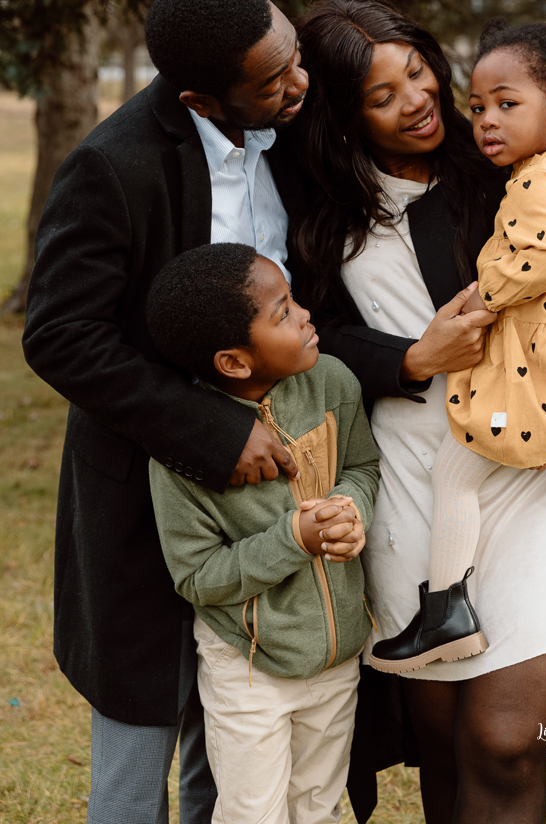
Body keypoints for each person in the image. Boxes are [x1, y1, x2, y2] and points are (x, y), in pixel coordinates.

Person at [290, 0, 546, 823]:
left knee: (504, 738)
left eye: (417, 74)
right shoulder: (324, 212)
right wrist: (411, 357)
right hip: (416, 480)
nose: (416, 100)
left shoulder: (506, 166)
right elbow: (309, 338)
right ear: (342, 115)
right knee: (444, 737)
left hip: (533, 468)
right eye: (382, 96)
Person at [22, 0, 314, 824]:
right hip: (147, 482)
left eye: (292, 55)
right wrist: (209, 431)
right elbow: (61, 335)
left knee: (239, 735)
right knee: (142, 728)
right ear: (200, 96)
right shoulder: (113, 167)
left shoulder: (295, 131)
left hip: (278, 485)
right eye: (271, 81)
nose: (297, 84)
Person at [370, 4, 546, 674]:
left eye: (504, 104)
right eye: (476, 106)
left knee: (452, 470)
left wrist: (484, 292)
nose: (485, 121)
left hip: (539, 345)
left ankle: (445, 611)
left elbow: (544, 257)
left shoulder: (531, 180)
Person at [146, 242, 380, 824]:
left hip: (336, 655)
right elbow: (197, 577)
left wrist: (352, 510)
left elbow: (362, 466)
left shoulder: (330, 382)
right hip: (249, 668)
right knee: (253, 815)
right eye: (282, 313)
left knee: (319, 809)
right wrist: (293, 540)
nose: (304, 314)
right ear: (233, 362)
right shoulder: (183, 452)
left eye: (294, 300)